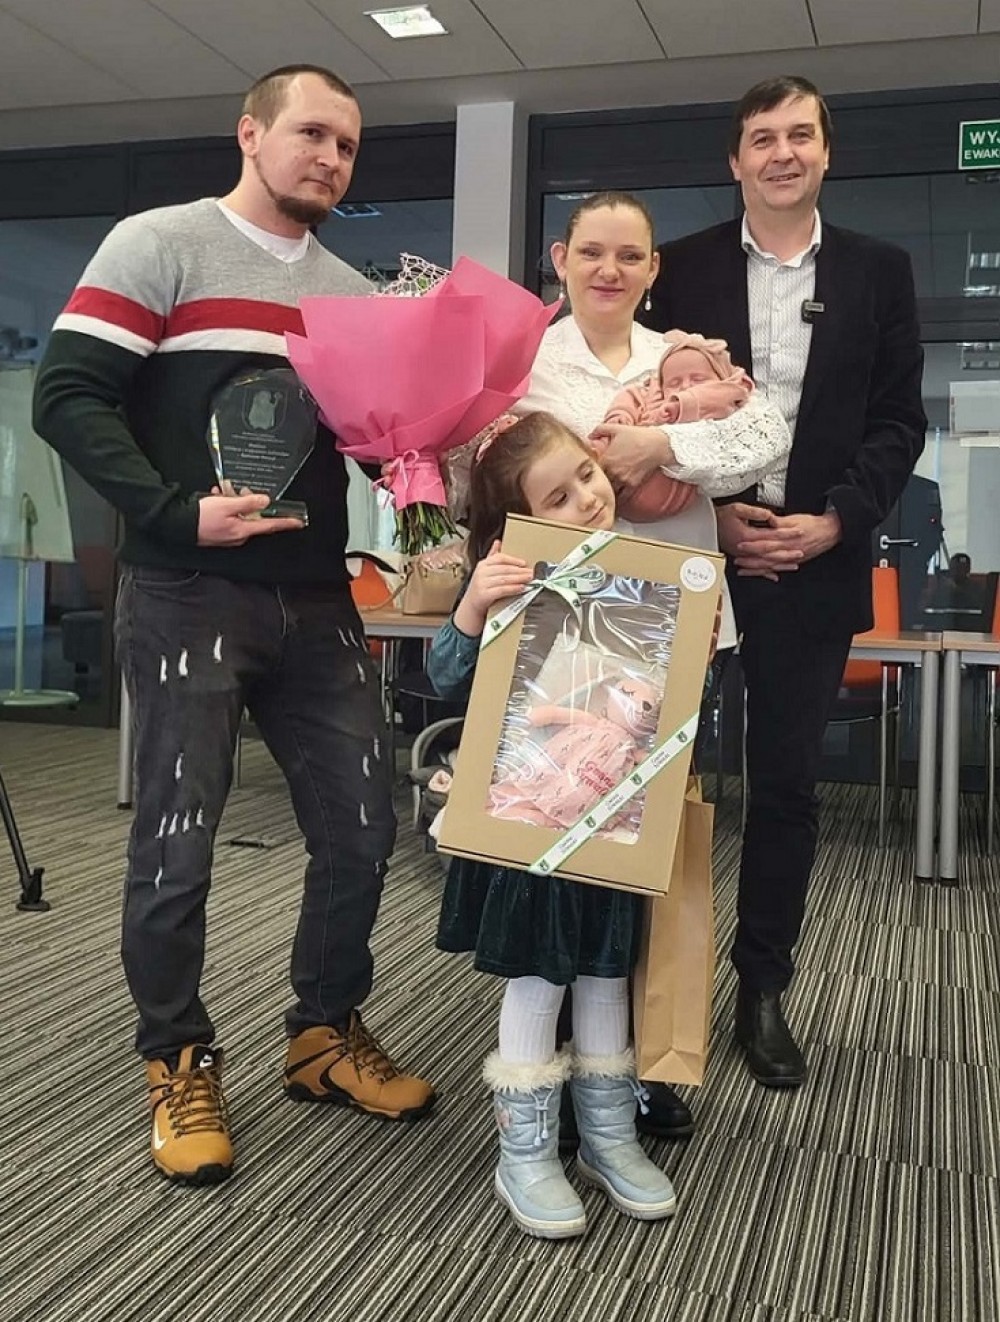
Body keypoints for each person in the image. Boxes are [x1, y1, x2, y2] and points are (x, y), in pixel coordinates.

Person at [32, 64, 435, 1187]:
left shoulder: (351, 292)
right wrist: (170, 512)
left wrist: (425, 462)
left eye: (347, 145)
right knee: (178, 841)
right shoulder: (159, 242)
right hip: (185, 589)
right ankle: (177, 1056)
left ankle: (322, 1033)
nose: (330, 157)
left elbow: (370, 442)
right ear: (251, 133)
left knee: (364, 826)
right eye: (311, 133)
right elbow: (65, 394)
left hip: (317, 599)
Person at [643, 75, 926, 1088]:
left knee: (786, 785)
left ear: (825, 151)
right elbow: (644, 406)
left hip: (815, 563)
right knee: (656, 780)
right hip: (691, 557)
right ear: (735, 160)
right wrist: (712, 515)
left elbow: (899, 420)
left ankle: (761, 986)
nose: (781, 153)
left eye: (799, 135)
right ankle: (649, 993)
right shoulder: (678, 269)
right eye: (761, 138)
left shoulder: (878, 271)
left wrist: (835, 519)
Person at [514, 190, 793, 1139]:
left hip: (677, 634)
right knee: (561, 848)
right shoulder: (524, 363)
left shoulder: (684, 354)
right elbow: (502, 475)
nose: (610, 270)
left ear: (653, 268)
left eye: (629, 255)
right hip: (567, 636)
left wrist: (657, 441)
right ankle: (555, 1057)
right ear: (561, 259)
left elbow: (758, 443)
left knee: (652, 849)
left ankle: (642, 1058)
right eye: (592, 252)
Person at [428, 410, 679, 1240]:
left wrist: (691, 652)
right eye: (558, 497)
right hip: (530, 826)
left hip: (613, 821)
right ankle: (525, 1152)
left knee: (607, 973)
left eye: (587, 476)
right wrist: (474, 606)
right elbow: (443, 675)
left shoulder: (649, 575)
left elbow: (671, 707)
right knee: (539, 978)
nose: (587, 498)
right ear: (519, 520)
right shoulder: (506, 576)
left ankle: (609, 1136)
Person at [596, 331, 755, 519]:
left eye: (698, 379)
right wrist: (621, 415)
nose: (686, 386)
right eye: (674, 382)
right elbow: (632, 396)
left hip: (671, 483)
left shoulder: (724, 395)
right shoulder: (653, 394)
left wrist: (681, 405)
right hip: (621, 470)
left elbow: (721, 397)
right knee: (601, 443)